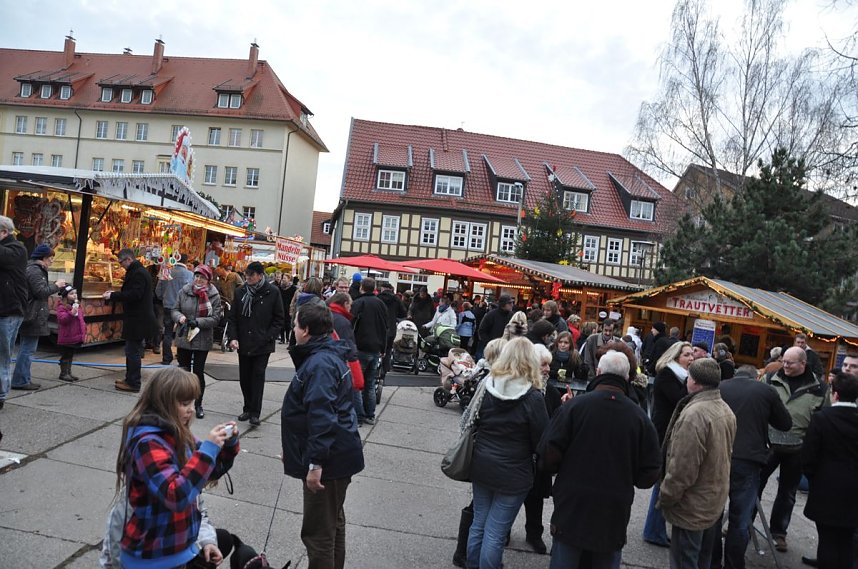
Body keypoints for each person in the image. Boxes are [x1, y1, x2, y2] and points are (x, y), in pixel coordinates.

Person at [538, 350, 661, 568]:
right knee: (606, 556)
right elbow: (649, 472)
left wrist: (563, 469)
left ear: (599, 372)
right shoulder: (639, 418)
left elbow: (548, 453)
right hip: (614, 506)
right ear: (626, 378)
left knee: (565, 556)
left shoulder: (574, 408)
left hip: (572, 502)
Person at [114, 367, 239, 569]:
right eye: (184, 403)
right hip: (152, 554)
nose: (191, 409)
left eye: (192, 402)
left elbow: (212, 470)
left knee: (222, 540)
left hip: (176, 549)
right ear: (163, 404)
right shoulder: (148, 443)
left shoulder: (178, 434)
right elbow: (175, 496)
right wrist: (208, 450)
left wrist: (228, 443)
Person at [282, 302, 365, 569]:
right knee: (332, 525)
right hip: (336, 455)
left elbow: (322, 418)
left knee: (318, 534)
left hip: (330, 460)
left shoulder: (319, 363)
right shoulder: (325, 356)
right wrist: (295, 449)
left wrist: (315, 463)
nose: (293, 329)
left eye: (295, 325)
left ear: (305, 330)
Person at [466, 337, 549, 569]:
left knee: (479, 524)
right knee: (495, 532)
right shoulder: (533, 397)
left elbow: (473, 420)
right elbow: (541, 440)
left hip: (482, 463)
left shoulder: (488, 385)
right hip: (514, 472)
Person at [712, 364, 792, 569]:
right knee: (740, 518)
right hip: (749, 459)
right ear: (756, 377)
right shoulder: (766, 391)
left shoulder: (720, 387)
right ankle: (734, 564)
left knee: (713, 513)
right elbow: (785, 423)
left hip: (719, 455)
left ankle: (712, 562)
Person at [659, 358, 736, 569]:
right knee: (701, 559)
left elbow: (683, 467)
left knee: (685, 560)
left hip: (692, 505)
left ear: (695, 381)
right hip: (711, 499)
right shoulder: (724, 408)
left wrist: (666, 495)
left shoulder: (695, 415)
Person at [759, 346, 829, 552]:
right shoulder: (770, 378)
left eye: (790, 362)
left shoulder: (820, 389)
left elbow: (824, 419)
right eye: (784, 361)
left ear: (803, 364)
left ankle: (779, 533)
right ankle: (744, 524)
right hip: (769, 443)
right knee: (755, 485)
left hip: (798, 447)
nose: (785, 365)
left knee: (787, 493)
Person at [452, 337, 508, 568]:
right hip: (494, 457)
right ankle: (467, 555)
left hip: (483, 456)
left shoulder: (488, 381)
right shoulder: (497, 384)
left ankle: (466, 555)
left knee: (479, 512)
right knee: (484, 517)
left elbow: (467, 419)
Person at [802, 371, 858, 569]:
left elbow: (808, 456)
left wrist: (814, 477)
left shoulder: (822, 418)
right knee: (847, 540)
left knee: (827, 540)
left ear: (835, 394)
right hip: (854, 491)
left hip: (826, 487)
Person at [642, 340, 693, 547]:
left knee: (665, 482)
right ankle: (654, 530)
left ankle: (657, 529)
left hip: (671, 432)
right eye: (687, 355)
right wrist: (691, 385)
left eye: (692, 354)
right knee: (663, 483)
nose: (691, 358)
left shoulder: (680, 376)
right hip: (664, 434)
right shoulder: (668, 375)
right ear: (675, 356)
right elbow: (680, 400)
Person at [225, 261, 285, 426]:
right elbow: (233, 318)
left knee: (257, 376)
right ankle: (247, 407)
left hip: (262, 343)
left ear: (260, 275)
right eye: (246, 275)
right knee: (245, 377)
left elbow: (279, 319)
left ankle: (255, 412)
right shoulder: (240, 292)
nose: (248, 278)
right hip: (244, 341)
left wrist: (269, 336)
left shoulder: (272, 292)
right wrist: (233, 337)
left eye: (251, 275)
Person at [172, 264, 223, 419]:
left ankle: (198, 404)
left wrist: (198, 322)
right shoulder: (184, 291)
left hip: (202, 337)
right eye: (197, 276)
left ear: (208, 280)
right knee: (183, 371)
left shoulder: (214, 295)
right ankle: (181, 404)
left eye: (202, 277)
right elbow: (174, 309)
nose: (199, 280)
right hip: (184, 336)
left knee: (198, 372)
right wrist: (180, 317)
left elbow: (215, 318)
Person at [104, 249, 159, 393]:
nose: (121, 265)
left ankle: (133, 382)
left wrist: (114, 295)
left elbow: (135, 294)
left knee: (132, 351)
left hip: (138, 319)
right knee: (131, 350)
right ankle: (129, 379)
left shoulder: (139, 273)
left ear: (128, 259)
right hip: (137, 318)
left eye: (121, 262)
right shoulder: (138, 271)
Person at [13, 244, 66, 391]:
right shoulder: (36, 271)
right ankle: (21, 379)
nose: (52, 261)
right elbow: (41, 292)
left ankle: (23, 378)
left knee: (26, 348)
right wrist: (56, 285)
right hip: (33, 314)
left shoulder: (31, 269)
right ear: (43, 258)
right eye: (50, 258)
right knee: (28, 349)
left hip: (31, 313)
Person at [350, 276, 388, 426]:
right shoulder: (381, 304)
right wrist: (383, 348)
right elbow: (385, 328)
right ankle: (370, 415)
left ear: (361, 288)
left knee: (357, 384)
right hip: (376, 348)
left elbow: (351, 324)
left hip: (361, 347)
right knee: (370, 384)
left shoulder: (359, 303)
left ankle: (359, 416)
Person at [0, 216, 28, 410]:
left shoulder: (17, 249)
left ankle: (0, 395)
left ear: (4, 232)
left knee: (2, 355)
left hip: (9, 311)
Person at [155, 253, 193, 365]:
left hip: (168, 306)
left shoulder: (166, 272)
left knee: (167, 332)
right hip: (183, 308)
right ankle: (182, 357)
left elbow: (158, 291)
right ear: (186, 261)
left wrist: (165, 298)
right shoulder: (190, 275)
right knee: (183, 332)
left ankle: (166, 358)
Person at [56, 285, 86, 382]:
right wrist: (71, 313)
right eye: (71, 294)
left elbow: (80, 320)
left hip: (74, 336)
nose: (74, 295)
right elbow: (62, 320)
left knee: (70, 354)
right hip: (67, 336)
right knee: (66, 355)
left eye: (75, 293)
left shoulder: (77, 305)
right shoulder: (62, 307)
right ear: (65, 296)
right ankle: (63, 373)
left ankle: (68, 372)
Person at [377, 281, 406, 378]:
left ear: (382, 289)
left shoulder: (378, 298)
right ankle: (385, 369)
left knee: (377, 349)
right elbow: (403, 313)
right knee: (388, 349)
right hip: (391, 329)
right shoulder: (396, 299)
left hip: (379, 327)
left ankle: (376, 368)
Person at [278, 276, 299, 343]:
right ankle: (282, 338)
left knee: (287, 323)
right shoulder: (279, 288)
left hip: (289, 307)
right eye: (283, 278)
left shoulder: (293, 288)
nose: (283, 280)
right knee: (281, 323)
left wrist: (292, 308)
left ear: (289, 279)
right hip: (281, 306)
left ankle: (287, 338)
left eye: (285, 278)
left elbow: (294, 299)